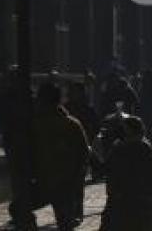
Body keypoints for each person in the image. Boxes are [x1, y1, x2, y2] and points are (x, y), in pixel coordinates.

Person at [33, 82, 90, 231]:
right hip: (64, 181)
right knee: (65, 221)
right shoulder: (71, 123)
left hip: (44, 180)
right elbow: (84, 152)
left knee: (20, 210)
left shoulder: (35, 124)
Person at [100, 116, 152, 231]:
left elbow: (107, 169)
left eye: (124, 129)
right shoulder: (145, 146)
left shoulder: (121, 148)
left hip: (124, 202)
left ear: (130, 130)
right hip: (140, 202)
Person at [0, 67, 37, 230]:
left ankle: (23, 207)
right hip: (14, 141)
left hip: (27, 141)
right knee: (18, 177)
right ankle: (21, 208)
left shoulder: (26, 95)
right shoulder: (6, 97)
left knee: (23, 177)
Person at [64, 82, 99, 222]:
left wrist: (89, 138)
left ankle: (77, 213)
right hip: (66, 150)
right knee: (68, 182)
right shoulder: (65, 108)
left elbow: (96, 125)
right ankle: (69, 211)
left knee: (78, 182)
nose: (74, 95)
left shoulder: (87, 108)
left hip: (81, 149)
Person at [137, 70, 152, 146]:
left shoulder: (143, 86)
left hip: (144, 112)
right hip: (151, 112)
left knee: (146, 131)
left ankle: (147, 145)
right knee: (151, 132)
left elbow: (140, 100)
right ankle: (151, 146)